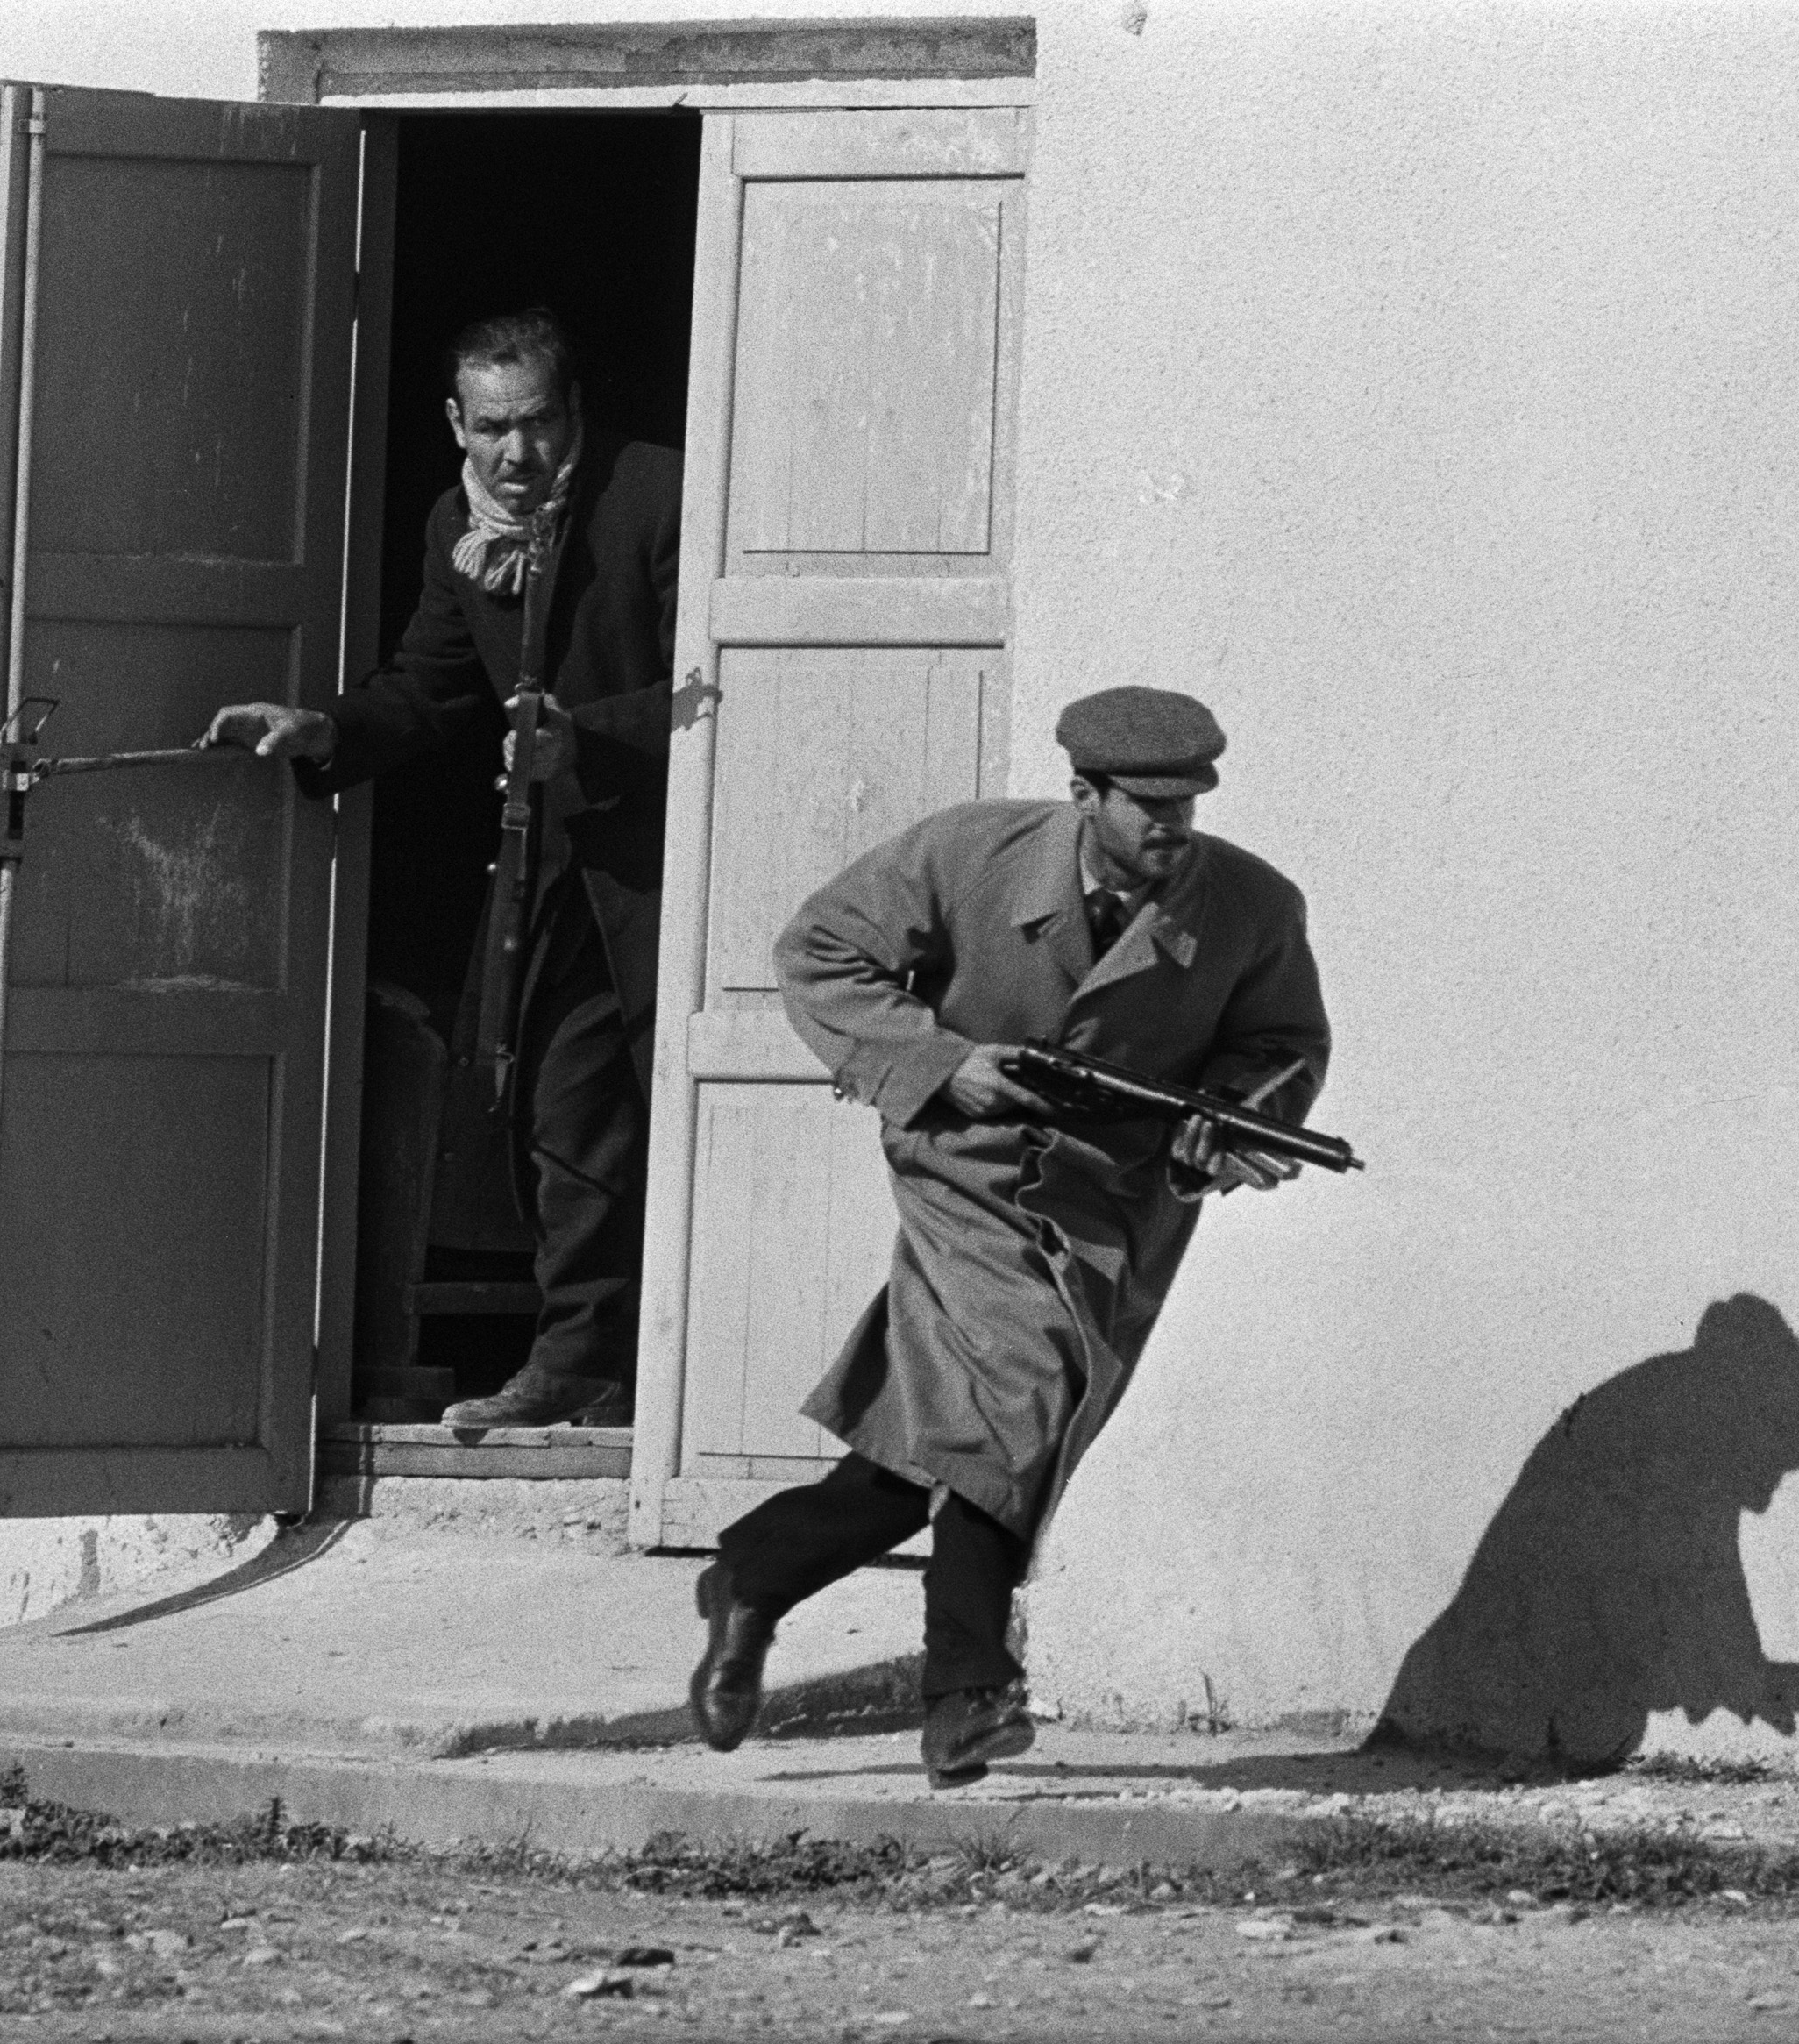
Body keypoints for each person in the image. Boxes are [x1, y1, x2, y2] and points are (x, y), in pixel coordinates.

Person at [686, 687, 1332, 1784]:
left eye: (1192, 805)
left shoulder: (1254, 906)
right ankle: (967, 1692)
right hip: (965, 1172)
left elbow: (1278, 1045)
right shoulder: (967, 853)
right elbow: (820, 952)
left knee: (945, 1444)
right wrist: (943, 1065)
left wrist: (1223, 1136)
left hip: (1117, 1204)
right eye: (1148, 807)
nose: (1174, 828)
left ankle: (756, 1569)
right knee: (1022, 1393)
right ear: (1085, 794)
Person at [205, 308, 680, 1428]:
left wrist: (592, 739)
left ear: (577, 416)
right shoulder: (452, 527)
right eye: (494, 431)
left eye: (542, 426)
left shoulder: (659, 494)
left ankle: (706, 1376)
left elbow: (735, 676)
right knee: (562, 1119)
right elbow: (430, 686)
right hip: (554, 870)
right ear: (457, 426)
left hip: (676, 857)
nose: (520, 458)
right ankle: (583, 1365)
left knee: (714, 1106)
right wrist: (327, 731)